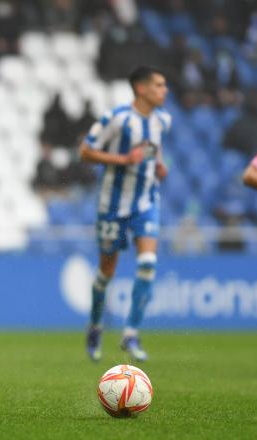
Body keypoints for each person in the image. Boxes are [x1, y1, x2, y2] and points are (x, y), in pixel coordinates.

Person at [79, 65, 171, 362]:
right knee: (106, 273)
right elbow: (85, 152)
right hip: (113, 207)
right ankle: (95, 326)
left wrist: (158, 164)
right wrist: (122, 159)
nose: (164, 90)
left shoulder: (162, 120)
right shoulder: (116, 118)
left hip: (146, 203)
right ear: (141, 89)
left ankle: (131, 332)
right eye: (159, 85)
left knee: (147, 262)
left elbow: (152, 149)